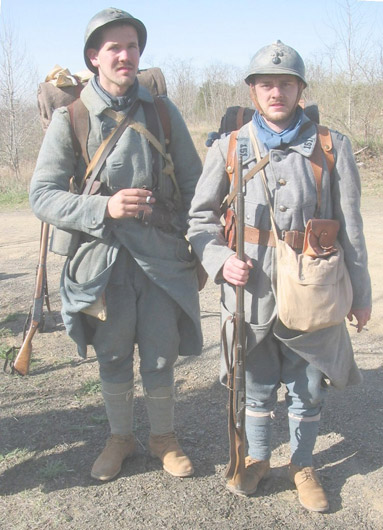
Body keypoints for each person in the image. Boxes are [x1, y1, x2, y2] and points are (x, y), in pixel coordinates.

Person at [188, 40, 371, 512]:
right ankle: (258, 457)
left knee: (309, 383)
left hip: (315, 286)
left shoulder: (331, 146)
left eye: (285, 83)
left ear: (300, 91)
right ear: (253, 92)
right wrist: (218, 261)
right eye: (266, 84)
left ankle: (303, 464)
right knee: (256, 381)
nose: (276, 92)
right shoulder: (229, 147)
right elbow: (200, 221)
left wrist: (362, 295)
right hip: (251, 290)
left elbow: (351, 227)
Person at [30, 7, 203, 482]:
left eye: (132, 46)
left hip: (161, 261)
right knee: (111, 353)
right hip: (100, 263)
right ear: (94, 58)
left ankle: (163, 439)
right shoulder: (74, 118)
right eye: (113, 48)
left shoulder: (164, 114)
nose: (125, 55)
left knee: (161, 352)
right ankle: (121, 438)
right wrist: (102, 209)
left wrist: (183, 231)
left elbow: (196, 187)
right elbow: (41, 195)